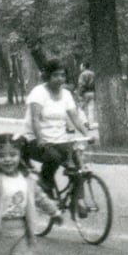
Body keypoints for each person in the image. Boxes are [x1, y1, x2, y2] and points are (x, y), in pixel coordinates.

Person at [22, 59, 93, 197]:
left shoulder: (66, 94)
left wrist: (87, 134)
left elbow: (75, 117)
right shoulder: (38, 93)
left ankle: (78, 201)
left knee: (79, 164)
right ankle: (44, 185)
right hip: (35, 140)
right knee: (54, 158)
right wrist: (40, 139)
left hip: (59, 141)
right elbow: (35, 119)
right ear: (47, 76)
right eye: (55, 75)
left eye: (62, 75)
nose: (60, 78)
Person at [77, 62, 96, 127]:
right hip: (92, 92)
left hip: (85, 93)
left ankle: (85, 122)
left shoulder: (82, 74)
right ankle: (91, 124)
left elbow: (81, 85)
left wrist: (80, 94)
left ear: (84, 66)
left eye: (81, 66)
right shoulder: (93, 74)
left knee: (80, 109)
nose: (80, 67)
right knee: (91, 109)